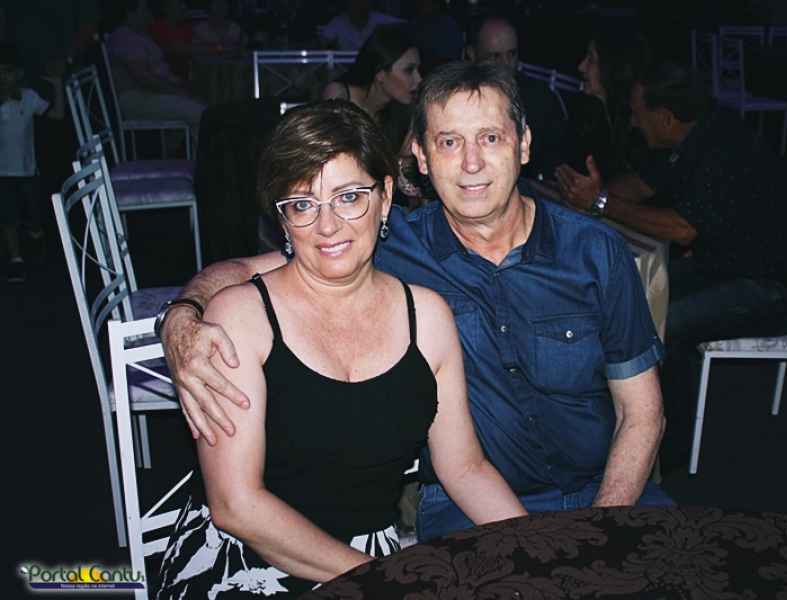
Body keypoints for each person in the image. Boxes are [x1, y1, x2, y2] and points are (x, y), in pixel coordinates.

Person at [158, 62, 670, 543]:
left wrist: (600, 530)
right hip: (465, 506)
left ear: (524, 144)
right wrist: (181, 320)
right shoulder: (382, 242)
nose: (471, 163)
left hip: (608, 494)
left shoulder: (593, 251)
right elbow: (243, 273)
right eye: (449, 142)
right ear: (421, 157)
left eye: (490, 138)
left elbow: (643, 413)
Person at [154, 100, 526, 597]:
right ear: (283, 220)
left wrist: (537, 547)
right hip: (242, 563)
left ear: (385, 197)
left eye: (349, 197)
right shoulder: (241, 319)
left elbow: (464, 468)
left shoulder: (427, 318)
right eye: (303, 204)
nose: (327, 226)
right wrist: (388, 582)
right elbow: (236, 506)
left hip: (370, 557)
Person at [557, 61, 787, 471]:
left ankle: (667, 451)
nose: (633, 122)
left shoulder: (723, 148)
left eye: (638, 114)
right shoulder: (695, 133)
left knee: (665, 322)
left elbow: (682, 229)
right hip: (730, 265)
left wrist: (601, 203)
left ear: (665, 118)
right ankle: (613, 416)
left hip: (779, 287)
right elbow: (643, 185)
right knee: (638, 292)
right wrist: (588, 194)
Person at [322, 24, 424, 206]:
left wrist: (404, 161)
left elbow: (407, 190)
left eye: (418, 70)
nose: (418, 79)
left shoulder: (405, 111)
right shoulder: (339, 95)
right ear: (381, 74)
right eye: (409, 70)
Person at [465, 16, 567, 181]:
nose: (506, 64)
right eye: (495, 57)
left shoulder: (539, 99)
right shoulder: (458, 102)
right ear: (472, 54)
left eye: (511, 54)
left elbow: (556, 165)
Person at [556, 29, 651, 184]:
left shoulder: (642, 129)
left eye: (591, 59)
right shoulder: (594, 120)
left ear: (613, 66)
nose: (581, 67)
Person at [106, 0, 205, 128]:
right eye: (144, 10)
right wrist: (177, 92)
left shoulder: (142, 35)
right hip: (139, 98)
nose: (148, 14)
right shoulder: (124, 37)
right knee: (201, 113)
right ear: (131, 13)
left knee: (203, 106)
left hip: (155, 94)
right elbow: (144, 78)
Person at [0, 43, 49, 284]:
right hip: (3, 171)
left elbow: (54, 114)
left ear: (18, 73)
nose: (3, 77)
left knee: (33, 211)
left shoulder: (29, 97)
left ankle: (36, 234)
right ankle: (15, 258)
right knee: (8, 214)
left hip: (27, 168)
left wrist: (57, 83)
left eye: (7, 71)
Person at [318, 0, 403, 52]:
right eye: (356, 2)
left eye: (364, 1)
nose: (360, 4)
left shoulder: (379, 19)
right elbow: (323, 43)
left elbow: (403, 25)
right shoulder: (338, 22)